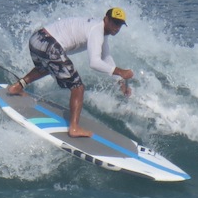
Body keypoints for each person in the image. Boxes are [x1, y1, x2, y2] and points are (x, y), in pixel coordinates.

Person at [7, 7, 134, 138]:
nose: (116, 27)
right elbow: (94, 62)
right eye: (114, 22)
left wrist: (120, 81)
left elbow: (106, 57)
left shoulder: (99, 29)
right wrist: (120, 71)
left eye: (119, 24)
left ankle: (17, 87)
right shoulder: (97, 30)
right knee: (78, 87)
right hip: (50, 45)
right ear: (106, 19)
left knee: (45, 67)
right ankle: (74, 128)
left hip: (37, 39)